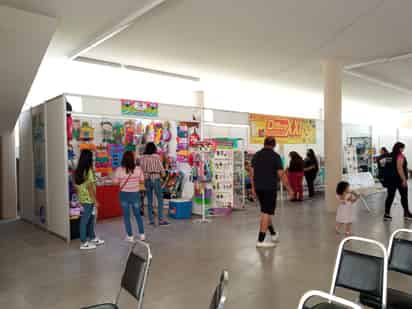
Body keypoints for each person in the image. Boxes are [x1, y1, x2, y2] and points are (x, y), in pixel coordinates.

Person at [251, 137, 294, 248]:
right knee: (266, 213)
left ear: (264, 144)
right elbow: (281, 175)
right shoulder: (276, 157)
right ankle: (260, 241)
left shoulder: (256, 155)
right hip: (269, 189)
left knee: (266, 211)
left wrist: (253, 188)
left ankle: (273, 234)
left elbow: (252, 173)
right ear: (274, 145)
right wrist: (289, 189)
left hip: (259, 188)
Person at [74, 149, 105, 250]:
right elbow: (90, 187)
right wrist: (95, 201)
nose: (93, 159)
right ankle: (83, 242)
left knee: (90, 218)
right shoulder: (88, 171)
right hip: (89, 199)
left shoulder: (78, 170)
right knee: (85, 220)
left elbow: (76, 186)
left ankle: (92, 237)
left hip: (83, 198)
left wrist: (80, 198)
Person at [113, 151, 146, 242]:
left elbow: (115, 182)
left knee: (126, 216)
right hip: (135, 194)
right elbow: (142, 181)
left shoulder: (119, 169)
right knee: (137, 215)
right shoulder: (138, 169)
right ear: (133, 159)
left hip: (124, 194)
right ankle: (142, 234)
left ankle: (130, 236)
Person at [140, 142, 169, 226]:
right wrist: (163, 176)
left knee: (149, 200)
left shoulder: (142, 158)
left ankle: (151, 220)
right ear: (154, 149)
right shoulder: (156, 157)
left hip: (146, 179)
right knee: (160, 199)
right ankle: (161, 220)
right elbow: (161, 168)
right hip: (155, 178)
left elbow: (141, 169)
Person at [384, 142, 412, 221]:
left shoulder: (389, 155)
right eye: (403, 148)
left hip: (390, 180)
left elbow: (387, 167)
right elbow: (399, 168)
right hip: (399, 179)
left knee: (390, 197)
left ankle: (386, 214)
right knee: (404, 196)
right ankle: (406, 214)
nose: (403, 150)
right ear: (400, 148)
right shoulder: (400, 155)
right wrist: (404, 180)